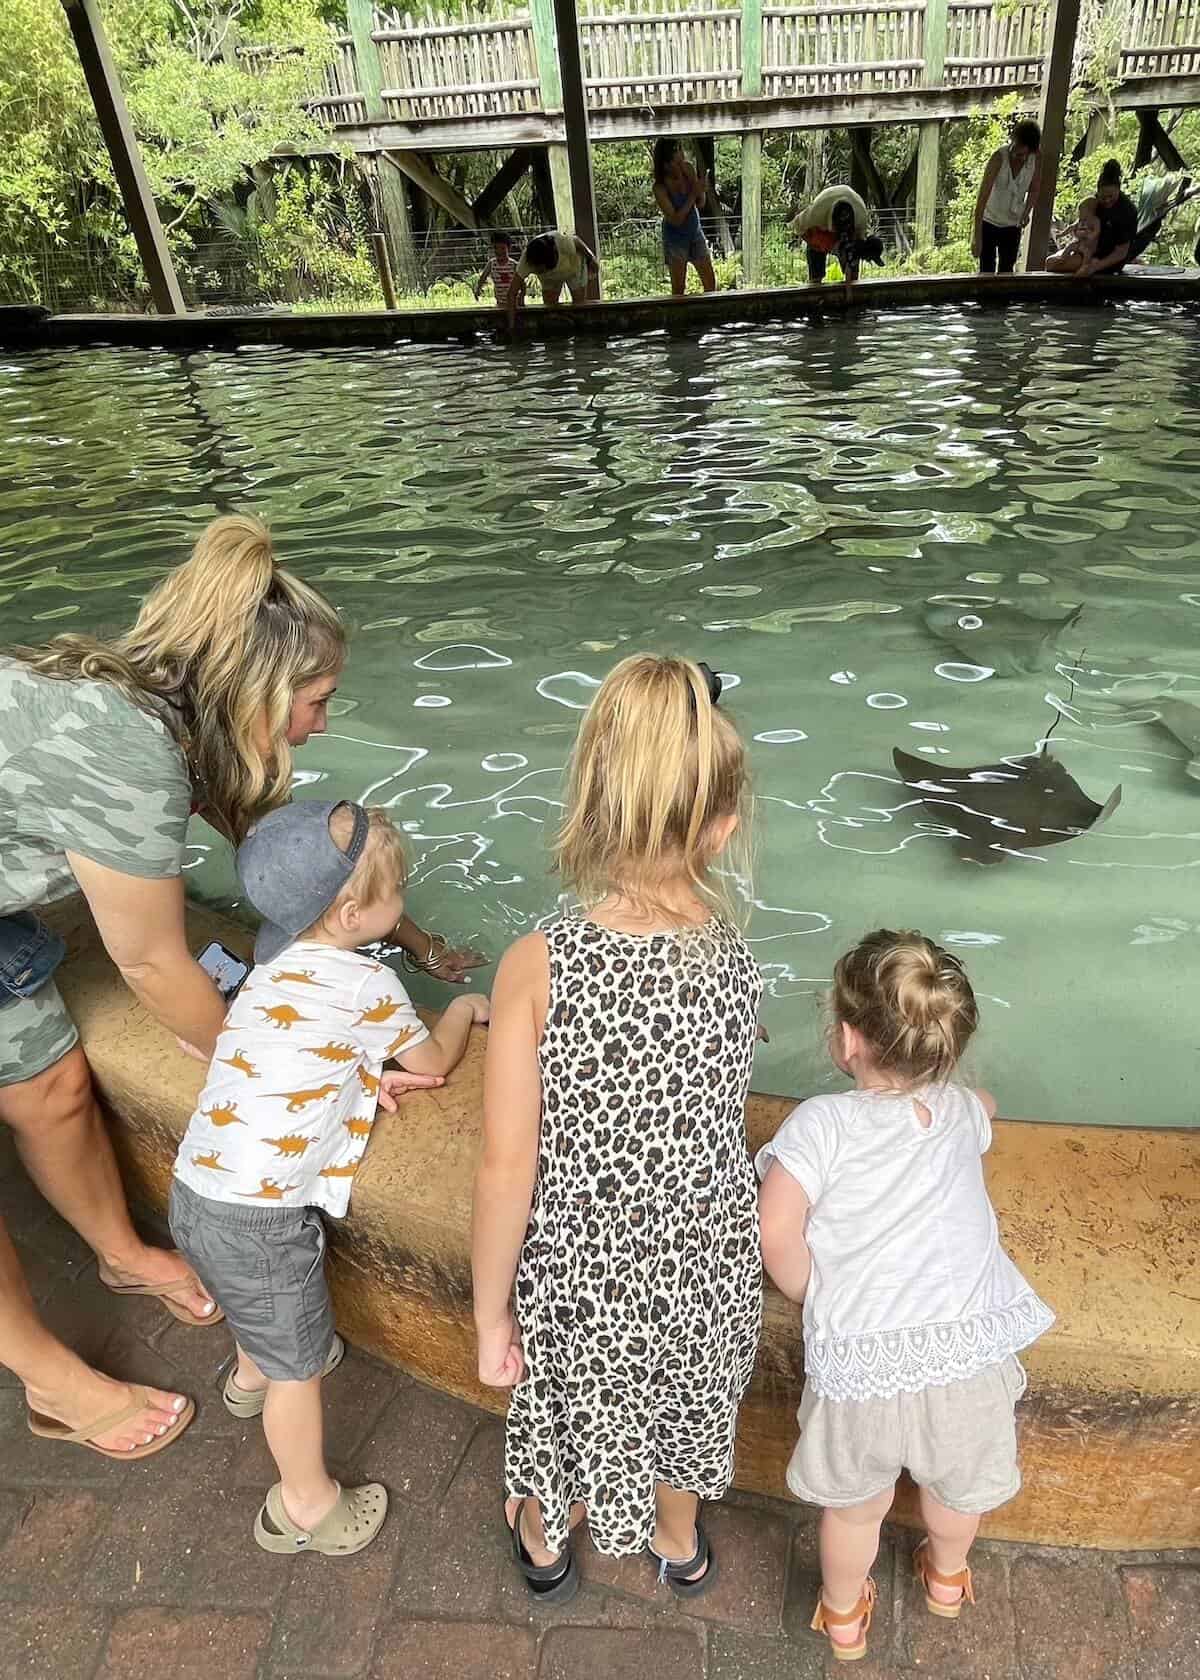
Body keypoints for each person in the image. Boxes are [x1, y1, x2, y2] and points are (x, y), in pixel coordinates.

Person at [0, 514, 476, 1460]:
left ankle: (126, 1256)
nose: (325, 723)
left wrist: (415, 943)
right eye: (320, 699)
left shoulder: (178, 707)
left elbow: (279, 843)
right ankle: (48, 1380)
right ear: (262, 691)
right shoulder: (130, 747)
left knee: (47, 1084)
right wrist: (294, 1061)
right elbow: (149, 964)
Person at [472, 654, 763, 1605]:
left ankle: (548, 1543)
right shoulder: (731, 959)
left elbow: (507, 1163)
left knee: (559, 1417)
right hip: (704, 1261)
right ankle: (678, 1540)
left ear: (594, 803)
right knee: (688, 1404)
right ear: (721, 828)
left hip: (583, 1272)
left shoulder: (538, 965)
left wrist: (487, 1315)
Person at [169, 800, 489, 1555]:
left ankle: (248, 1375)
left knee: (262, 1326)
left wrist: (357, 1073)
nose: (406, 899)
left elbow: (294, 1056)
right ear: (351, 913)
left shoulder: (273, 967)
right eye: (398, 888)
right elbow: (434, 1065)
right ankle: (305, 1507)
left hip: (195, 1189)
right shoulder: (364, 987)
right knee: (301, 1370)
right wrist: (466, 1009)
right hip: (261, 1222)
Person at [757, 930, 1054, 1662]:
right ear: (945, 1048)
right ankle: (947, 1579)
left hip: (864, 1370)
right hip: (967, 1358)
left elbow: (775, 1230)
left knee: (855, 1508)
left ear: (847, 1039)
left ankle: (845, 1616)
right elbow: (984, 1102)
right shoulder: (958, 1112)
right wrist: (966, 1097)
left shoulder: (821, 1124)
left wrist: (811, 1290)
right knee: (959, 1494)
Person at [1046, 159, 1138, 278]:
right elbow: (1083, 222)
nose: (1107, 200)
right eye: (1103, 197)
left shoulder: (1127, 211)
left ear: (1118, 190)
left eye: (1111, 196)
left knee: (1055, 265)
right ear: (1098, 192)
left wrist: (1094, 267)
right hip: (1087, 250)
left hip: (1107, 259)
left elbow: (1121, 252)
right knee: (1050, 262)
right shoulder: (1094, 203)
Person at [973, 121, 1042, 274]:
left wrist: (1026, 212)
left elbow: (1034, 189)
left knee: (1007, 270)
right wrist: (976, 237)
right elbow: (982, 198)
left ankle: (1003, 299)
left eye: (1021, 154)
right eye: (1013, 149)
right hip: (989, 221)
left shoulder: (1036, 159)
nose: (1015, 156)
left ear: (1031, 152)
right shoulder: (998, 158)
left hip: (1013, 223)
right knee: (986, 270)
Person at [652, 139, 717, 296]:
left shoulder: (688, 169)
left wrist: (701, 190)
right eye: (676, 160)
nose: (680, 163)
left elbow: (700, 203)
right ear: (665, 165)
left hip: (695, 232)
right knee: (679, 289)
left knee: (711, 283)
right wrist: (693, 194)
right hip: (675, 238)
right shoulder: (659, 187)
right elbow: (676, 219)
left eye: (681, 157)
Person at [506, 230, 600, 324]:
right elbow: (511, 293)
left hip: (573, 266)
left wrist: (591, 258)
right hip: (549, 279)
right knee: (550, 308)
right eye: (538, 269)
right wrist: (511, 326)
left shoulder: (563, 242)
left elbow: (577, 241)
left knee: (579, 304)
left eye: (542, 269)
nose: (539, 271)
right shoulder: (526, 261)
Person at [793, 187, 881, 284]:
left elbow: (858, 242)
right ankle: (815, 285)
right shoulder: (815, 215)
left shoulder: (860, 218)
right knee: (815, 275)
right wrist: (817, 243)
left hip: (852, 206)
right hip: (821, 227)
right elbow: (797, 228)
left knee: (853, 276)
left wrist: (849, 261)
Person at [474, 229, 519, 310]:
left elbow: (521, 282)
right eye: (495, 248)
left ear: (509, 248)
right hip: (500, 302)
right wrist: (478, 289)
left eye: (502, 248)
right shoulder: (491, 263)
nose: (499, 251)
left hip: (515, 302)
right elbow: (483, 277)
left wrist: (522, 296)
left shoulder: (514, 265)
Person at [1054, 197, 1102, 268]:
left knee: (1087, 254)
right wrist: (1061, 234)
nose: (1079, 214)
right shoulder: (1080, 221)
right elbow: (1071, 227)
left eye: (1081, 211)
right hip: (1079, 243)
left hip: (1089, 245)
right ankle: (1062, 258)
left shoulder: (1095, 220)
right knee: (1070, 246)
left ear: (1090, 211)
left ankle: (1085, 265)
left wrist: (1091, 236)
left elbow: (1097, 230)